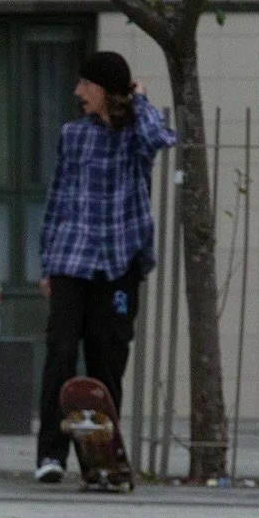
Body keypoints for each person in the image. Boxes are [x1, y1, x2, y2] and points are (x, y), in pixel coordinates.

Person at [35, 51, 175, 482]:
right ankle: (51, 456)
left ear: (105, 90)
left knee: (106, 359)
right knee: (60, 352)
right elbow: (58, 196)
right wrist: (46, 262)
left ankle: (99, 459)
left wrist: (139, 101)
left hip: (119, 262)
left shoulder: (136, 134)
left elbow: (161, 139)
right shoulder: (73, 134)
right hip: (71, 258)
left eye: (86, 85)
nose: (78, 92)